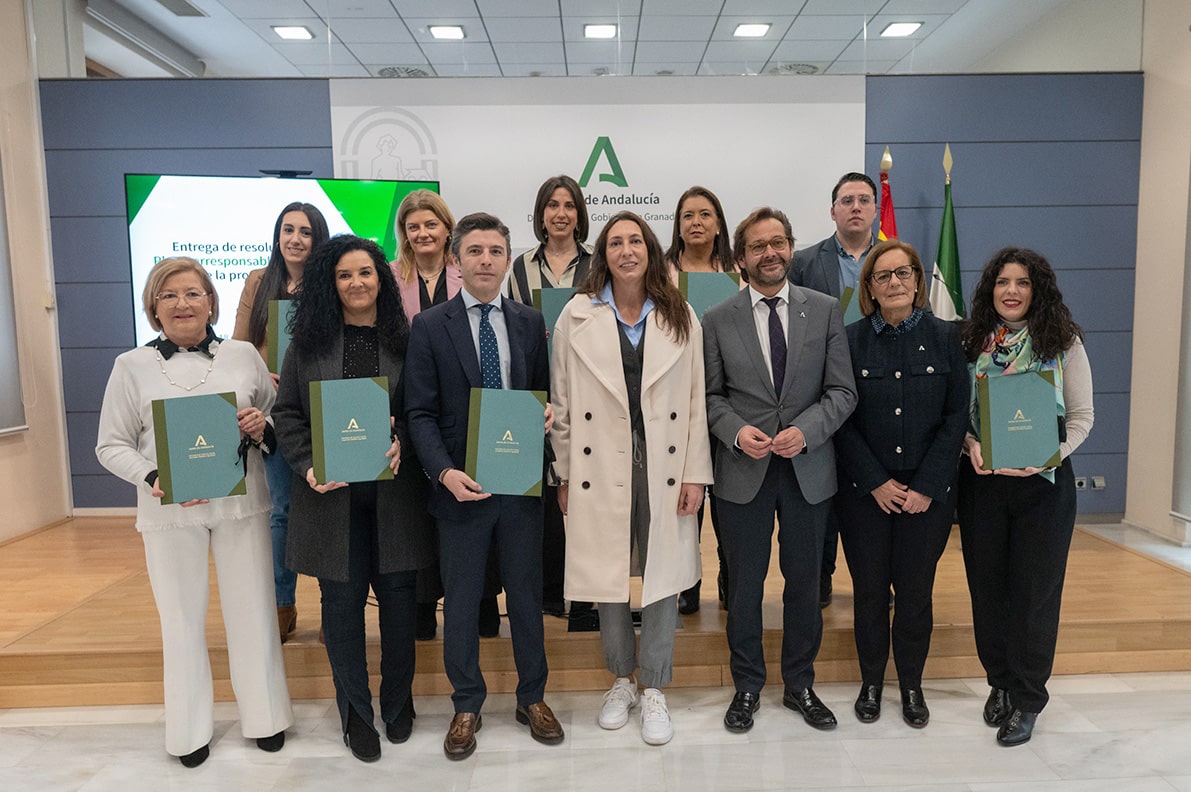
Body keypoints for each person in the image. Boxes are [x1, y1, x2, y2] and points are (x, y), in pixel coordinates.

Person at [96, 257, 292, 767]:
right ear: (153, 307)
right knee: (180, 620)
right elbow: (110, 445)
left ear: (212, 301)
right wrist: (153, 477)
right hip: (168, 512)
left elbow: (276, 419)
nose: (182, 303)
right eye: (169, 295)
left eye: (193, 293)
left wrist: (260, 427)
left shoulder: (244, 355)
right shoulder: (130, 366)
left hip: (241, 504)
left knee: (252, 610)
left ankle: (265, 718)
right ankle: (189, 732)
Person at [404, 212, 563, 760]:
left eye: (496, 251)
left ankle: (532, 697)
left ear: (506, 258)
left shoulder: (527, 320)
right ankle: (466, 703)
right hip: (459, 488)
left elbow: (540, 395)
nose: (486, 261)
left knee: (525, 596)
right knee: (465, 601)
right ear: (457, 259)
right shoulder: (429, 326)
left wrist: (544, 417)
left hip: (519, 486)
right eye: (475, 251)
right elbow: (418, 413)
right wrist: (444, 473)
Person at [550, 211, 712, 745]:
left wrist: (695, 473)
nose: (626, 250)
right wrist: (565, 472)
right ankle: (622, 678)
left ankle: (657, 685)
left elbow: (694, 403)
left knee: (663, 572)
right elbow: (563, 404)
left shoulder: (681, 315)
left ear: (649, 250)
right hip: (600, 464)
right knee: (609, 571)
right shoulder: (575, 316)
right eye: (615, 242)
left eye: (635, 240)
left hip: (664, 463)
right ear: (603, 252)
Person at [273, 235, 433, 762]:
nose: (356, 283)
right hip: (329, 498)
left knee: (398, 608)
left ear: (381, 279)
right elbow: (289, 416)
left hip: (395, 496)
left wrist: (403, 442)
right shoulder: (308, 346)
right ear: (329, 283)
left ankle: (398, 702)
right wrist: (308, 465)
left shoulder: (407, 340)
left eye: (366, 273)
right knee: (340, 611)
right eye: (344, 275)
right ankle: (356, 714)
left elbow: (421, 414)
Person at [703, 206, 856, 734]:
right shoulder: (717, 318)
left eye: (778, 242)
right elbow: (709, 397)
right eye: (757, 246)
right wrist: (735, 431)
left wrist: (809, 430)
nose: (770, 253)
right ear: (741, 258)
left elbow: (842, 391)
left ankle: (800, 684)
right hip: (743, 471)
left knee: (804, 584)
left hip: (808, 471)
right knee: (744, 587)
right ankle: (746, 686)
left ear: (790, 247)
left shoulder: (826, 310)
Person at [957, 247, 1093, 747]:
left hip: (1044, 485)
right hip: (983, 484)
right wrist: (969, 444)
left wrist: (1049, 456)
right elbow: (958, 414)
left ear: (1038, 291)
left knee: (1035, 597)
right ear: (990, 288)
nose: (1011, 291)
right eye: (1002, 282)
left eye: (1022, 283)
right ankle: (1000, 682)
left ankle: (1028, 699)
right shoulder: (971, 341)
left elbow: (1082, 416)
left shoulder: (1063, 342)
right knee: (988, 591)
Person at [833, 240, 968, 728]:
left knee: (915, 592)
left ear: (918, 281)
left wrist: (928, 486)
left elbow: (956, 417)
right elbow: (840, 419)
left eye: (903, 273)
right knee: (869, 591)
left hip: (926, 495)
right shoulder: (847, 341)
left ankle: (911, 683)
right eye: (882, 275)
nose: (894, 283)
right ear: (868, 286)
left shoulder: (948, 337)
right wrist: (874, 482)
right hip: (866, 494)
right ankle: (872, 681)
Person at [233, 201, 329, 643]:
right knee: (282, 512)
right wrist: (260, 365)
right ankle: (282, 604)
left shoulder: (329, 282)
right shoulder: (259, 281)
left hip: (326, 408)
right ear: (277, 236)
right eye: (288, 230)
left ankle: (335, 601)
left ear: (318, 239)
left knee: (330, 507)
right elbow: (239, 345)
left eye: (306, 232)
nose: (295, 239)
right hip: (274, 409)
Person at [506, 174, 595, 624]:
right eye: (552, 205)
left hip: (588, 388)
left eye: (569, 205)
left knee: (582, 490)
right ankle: (546, 591)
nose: (560, 213)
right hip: (533, 385)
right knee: (541, 492)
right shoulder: (518, 266)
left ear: (579, 213)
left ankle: (583, 597)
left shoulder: (598, 264)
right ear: (541, 214)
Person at [789, 172, 880, 607]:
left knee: (874, 487)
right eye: (847, 200)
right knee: (822, 491)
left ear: (875, 210)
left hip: (880, 390)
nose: (856, 207)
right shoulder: (805, 262)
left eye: (864, 199)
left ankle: (878, 581)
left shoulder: (895, 260)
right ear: (833, 211)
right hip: (821, 391)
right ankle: (821, 580)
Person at [389, 189, 471, 640]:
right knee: (416, 515)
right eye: (413, 226)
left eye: (430, 224)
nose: (422, 233)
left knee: (466, 510)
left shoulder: (469, 271)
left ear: (446, 228)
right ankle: (422, 612)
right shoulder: (388, 277)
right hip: (408, 405)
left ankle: (476, 607)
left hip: (460, 408)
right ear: (404, 234)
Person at [663, 185, 735, 614]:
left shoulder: (738, 272)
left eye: (705, 214)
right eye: (687, 215)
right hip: (678, 393)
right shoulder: (662, 272)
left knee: (727, 494)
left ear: (719, 223)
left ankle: (730, 575)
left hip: (730, 395)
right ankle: (687, 582)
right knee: (685, 494)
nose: (696, 223)